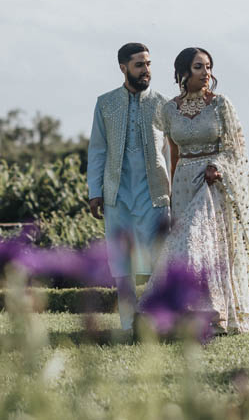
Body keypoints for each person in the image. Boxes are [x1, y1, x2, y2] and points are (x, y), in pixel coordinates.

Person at [146, 47, 249, 334]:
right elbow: (173, 151)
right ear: (183, 72)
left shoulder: (221, 104)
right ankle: (179, 313)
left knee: (201, 244)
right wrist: (173, 187)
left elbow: (235, 147)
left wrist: (217, 167)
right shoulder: (168, 109)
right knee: (184, 247)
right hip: (184, 182)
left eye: (208, 67)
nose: (206, 73)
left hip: (212, 183)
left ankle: (215, 313)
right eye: (199, 67)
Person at [86, 42, 171, 331]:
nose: (146, 70)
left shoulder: (163, 103)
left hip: (155, 194)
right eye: (139, 65)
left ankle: (153, 318)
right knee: (121, 261)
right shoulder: (105, 103)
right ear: (123, 68)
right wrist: (94, 192)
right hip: (116, 194)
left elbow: (171, 152)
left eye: (148, 64)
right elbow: (97, 150)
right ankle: (127, 322)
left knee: (157, 257)